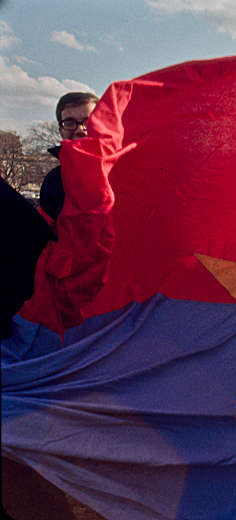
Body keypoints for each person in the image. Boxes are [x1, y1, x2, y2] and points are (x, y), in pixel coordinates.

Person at [1, 91, 98, 520]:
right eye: (69, 122)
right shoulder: (55, 180)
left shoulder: (124, 168)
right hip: (56, 303)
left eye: (85, 120)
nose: (77, 128)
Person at [40, 91, 99, 222]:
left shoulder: (126, 171)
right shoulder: (53, 181)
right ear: (61, 130)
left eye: (88, 121)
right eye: (69, 123)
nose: (80, 130)